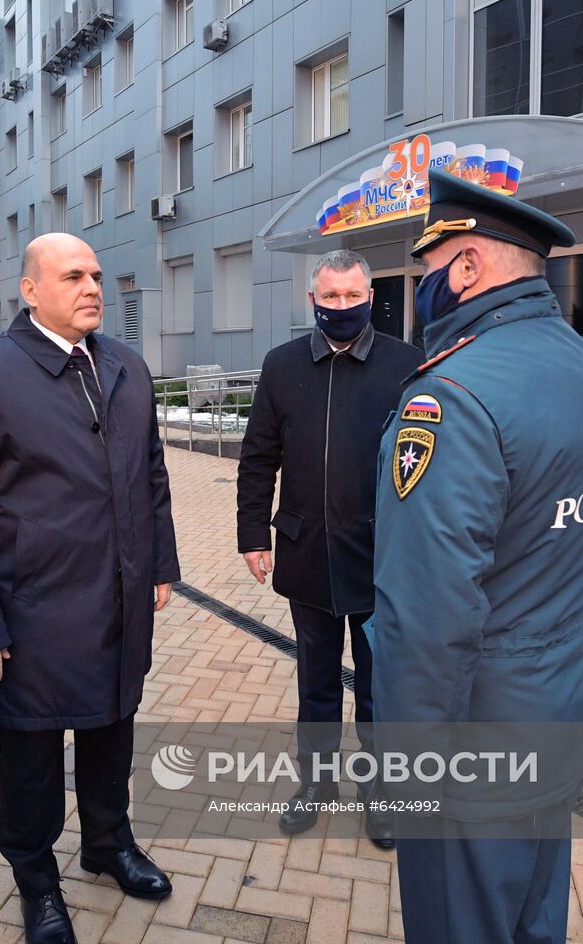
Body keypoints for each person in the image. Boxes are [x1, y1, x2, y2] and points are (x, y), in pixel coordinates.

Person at [371, 168, 583, 943]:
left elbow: (427, 618)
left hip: (475, 741)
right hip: (562, 709)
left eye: (428, 272)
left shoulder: (450, 397)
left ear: (470, 267)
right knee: (533, 916)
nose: (423, 289)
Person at [0, 232, 180, 944]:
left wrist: (161, 562)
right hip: (32, 613)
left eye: (97, 274)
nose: (92, 286)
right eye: (72, 275)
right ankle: (36, 878)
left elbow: (151, 478)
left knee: (111, 732)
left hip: (122, 601)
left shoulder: (125, 368)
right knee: (33, 759)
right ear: (30, 290)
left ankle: (108, 843)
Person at [236, 249, 422, 845]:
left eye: (352, 296)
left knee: (377, 686)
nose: (341, 307)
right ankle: (316, 783)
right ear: (311, 300)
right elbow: (259, 458)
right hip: (306, 553)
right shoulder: (282, 365)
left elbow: (425, 463)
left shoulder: (406, 365)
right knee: (315, 681)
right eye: (330, 297)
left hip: (380, 560)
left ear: (370, 298)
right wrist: (251, 534)